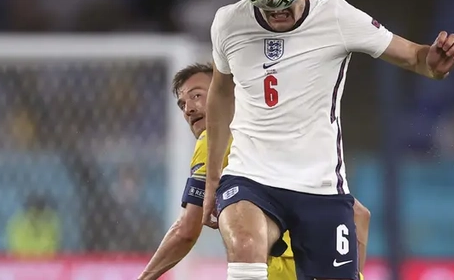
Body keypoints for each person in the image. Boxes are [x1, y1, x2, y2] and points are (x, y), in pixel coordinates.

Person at [202, 0, 454, 280]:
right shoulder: (228, 23)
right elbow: (220, 92)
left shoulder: (338, 18)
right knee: (245, 242)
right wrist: (214, 177)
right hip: (252, 176)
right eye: (267, 9)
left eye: (286, 6)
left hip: (320, 188)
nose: (277, 16)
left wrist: (433, 63)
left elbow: (415, 57)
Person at [137, 63, 371, 280]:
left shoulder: (213, 140)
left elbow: (186, 230)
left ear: (225, 94)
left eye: (197, 95)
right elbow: (359, 214)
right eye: (182, 104)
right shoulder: (281, 140)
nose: (188, 109)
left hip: (282, 267)